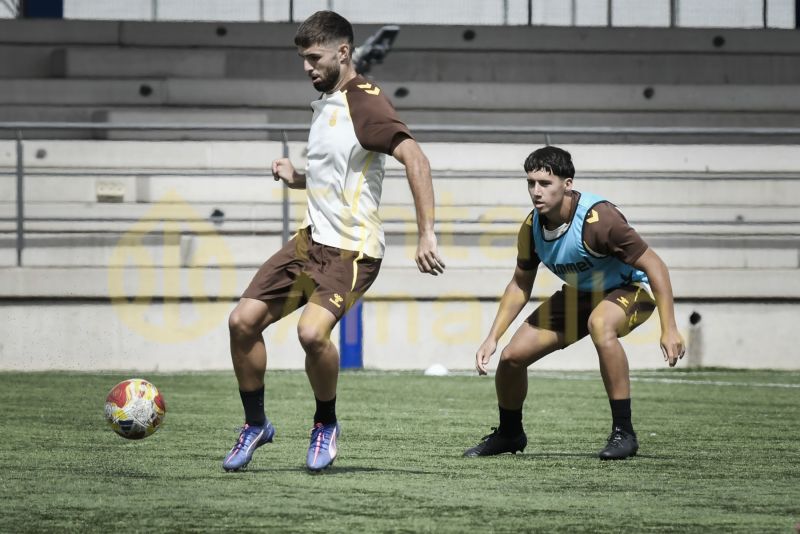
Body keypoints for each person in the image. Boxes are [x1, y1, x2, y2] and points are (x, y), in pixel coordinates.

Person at [223, 10, 445, 473]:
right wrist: (300, 177)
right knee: (242, 322)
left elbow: (416, 159)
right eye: (303, 58)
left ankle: (325, 423)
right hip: (310, 243)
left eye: (314, 57)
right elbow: (343, 172)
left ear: (343, 53)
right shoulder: (328, 102)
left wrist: (427, 233)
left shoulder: (365, 101)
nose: (306, 67)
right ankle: (256, 424)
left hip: (352, 250)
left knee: (311, 334)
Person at [464, 146, 684, 460]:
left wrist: (670, 328)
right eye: (531, 183)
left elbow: (655, 265)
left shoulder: (599, 219)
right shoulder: (531, 227)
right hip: (582, 294)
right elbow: (519, 284)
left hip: (632, 289)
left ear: (567, 184)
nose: (536, 192)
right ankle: (510, 433)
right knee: (512, 358)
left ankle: (624, 432)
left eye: (545, 183)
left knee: (600, 323)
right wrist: (492, 337)